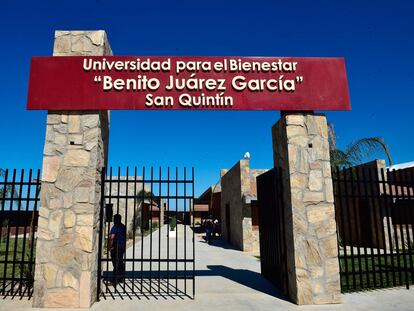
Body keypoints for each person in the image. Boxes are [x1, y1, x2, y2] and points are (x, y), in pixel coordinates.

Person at [108, 214, 126, 285]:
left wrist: (109, 246)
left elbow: (112, 237)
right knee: (120, 261)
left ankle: (114, 280)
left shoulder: (115, 227)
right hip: (122, 246)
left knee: (115, 263)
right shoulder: (123, 226)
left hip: (116, 247)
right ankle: (121, 278)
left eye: (114, 219)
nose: (113, 220)